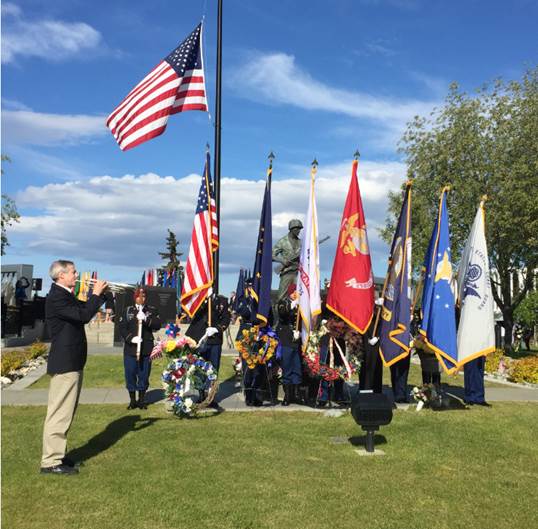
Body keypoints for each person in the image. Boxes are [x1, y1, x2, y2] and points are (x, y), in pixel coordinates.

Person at [41, 260, 107, 475]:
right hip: (65, 362)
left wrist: (101, 296)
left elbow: (84, 309)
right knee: (59, 412)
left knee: (66, 411)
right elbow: (83, 315)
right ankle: (50, 462)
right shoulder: (57, 297)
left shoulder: (65, 295)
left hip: (73, 360)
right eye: (73, 272)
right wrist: (95, 294)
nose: (76, 275)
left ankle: (58, 454)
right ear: (61, 275)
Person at [119, 287, 161, 410]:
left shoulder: (151, 310)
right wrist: (131, 338)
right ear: (135, 297)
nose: (141, 298)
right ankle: (132, 400)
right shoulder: (127, 311)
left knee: (144, 374)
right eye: (138, 296)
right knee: (130, 374)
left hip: (146, 349)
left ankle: (142, 400)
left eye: (143, 296)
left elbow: (157, 325)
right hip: (131, 349)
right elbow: (122, 328)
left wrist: (146, 319)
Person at [186, 294, 231, 408]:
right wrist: (204, 301)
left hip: (215, 340)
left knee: (213, 369)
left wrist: (217, 328)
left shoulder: (222, 300)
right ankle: (201, 394)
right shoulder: (198, 299)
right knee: (199, 368)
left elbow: (226, 318)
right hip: (200, 339)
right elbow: (194, 315)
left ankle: (211, 397)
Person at [275, 286, 303, 405]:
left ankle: (296, 395)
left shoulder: (301, 304)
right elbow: (283, 314)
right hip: (286, 338)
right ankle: (287, 396)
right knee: (287, 366)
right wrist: (293, 305)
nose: (296, 294)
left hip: (297, 339)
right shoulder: (284, 302)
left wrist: (300, 332)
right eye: (295, 291)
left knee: (297, 366)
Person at [272, 219, 303, 302]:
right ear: (291, 229)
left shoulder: (301, 242)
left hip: (297, 272)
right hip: (287, 272)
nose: (299, 231)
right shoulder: (282, 242)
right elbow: (272, 255)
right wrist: (282, 261)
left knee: (300, 295)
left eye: (299, 229)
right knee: (281, 297)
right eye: (297, 229)